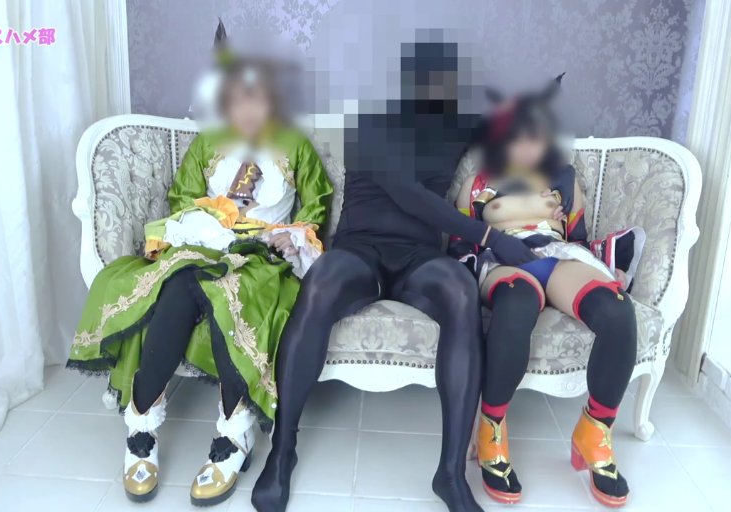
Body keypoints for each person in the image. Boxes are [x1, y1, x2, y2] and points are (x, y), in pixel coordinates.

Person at [251, 40, 539, 512]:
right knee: (321, 281)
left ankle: (450, 475)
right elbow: (409, 194)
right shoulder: (369, 121)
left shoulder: (458, 127)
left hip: (419, 257)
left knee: (460, 290)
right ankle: (282, 451)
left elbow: (512, 126)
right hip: (360, 249)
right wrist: (489, 237)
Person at [66, 28, 333, 507]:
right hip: (206, 245)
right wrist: (211, 223)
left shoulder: (295, 146)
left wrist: (291, 236)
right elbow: (182, 199)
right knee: (180, 283)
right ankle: (141, 425)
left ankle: (233, 435)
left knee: (234, 297)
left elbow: (315, 208)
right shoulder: (208, 143)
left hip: (262, 257)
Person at [449, 79, 639, 508]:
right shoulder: (478, 183)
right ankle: (491, 431)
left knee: (616, 309)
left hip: (558, 257)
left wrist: (609, 266)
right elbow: (461, 242)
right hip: (504, 260)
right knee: (516, 302)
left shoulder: (564, 179)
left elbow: (578, 238)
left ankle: (595, 432)